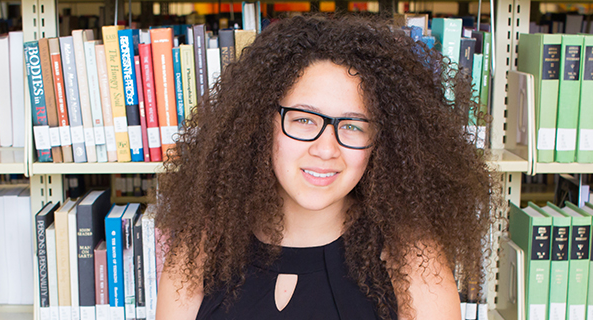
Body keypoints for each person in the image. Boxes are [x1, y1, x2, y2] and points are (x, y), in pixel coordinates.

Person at [155, 14, 497, 320]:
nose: (325, 149)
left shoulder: (414, 259)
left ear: (384, 141)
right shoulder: (200, 245)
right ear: (258, 123)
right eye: (304, 119)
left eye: (352, 125)